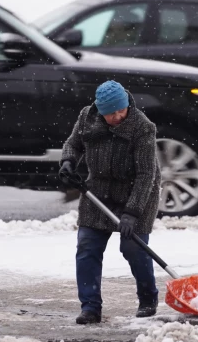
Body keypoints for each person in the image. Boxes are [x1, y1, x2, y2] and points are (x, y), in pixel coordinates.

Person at [59, 80, 162, 325]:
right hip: (99, 190)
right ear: (100, 110)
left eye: (120, 110)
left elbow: (146, 175)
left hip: (137, 192)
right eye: (110, 113)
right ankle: (90, 307)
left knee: (133, 248)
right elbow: (73, 143)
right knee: (87, 247)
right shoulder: (87, 117)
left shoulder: (142, 127)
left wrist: (132, 212)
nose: (117, 116)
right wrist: (68, 162)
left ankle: (148, 298)